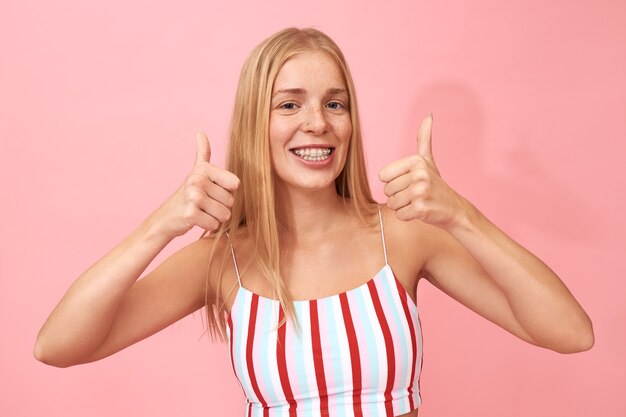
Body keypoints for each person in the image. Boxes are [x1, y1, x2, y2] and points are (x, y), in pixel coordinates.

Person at [34, 27, 594, 417]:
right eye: (289, 104)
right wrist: (161, 225)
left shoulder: (403, 236)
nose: (316, 124)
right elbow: (57, 345)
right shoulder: (223, 259)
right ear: (256, 121)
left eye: (335, 103)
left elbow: (570, 334)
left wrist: (462, 216)